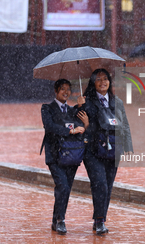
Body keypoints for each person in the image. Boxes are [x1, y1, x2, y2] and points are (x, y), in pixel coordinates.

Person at [77, 69, 133, 235]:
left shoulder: (118, 102)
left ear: (110, 82)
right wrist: (80, 109)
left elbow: (125, 125)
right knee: (100, 183)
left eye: (105, 79)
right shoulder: (86, 102)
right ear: (93, 83)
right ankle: (100, 221)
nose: (103, 82)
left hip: (113, 149)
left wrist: (128, 146)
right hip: (93, 151)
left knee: (107, 186)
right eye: (98, 79)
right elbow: (77, 124)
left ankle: (99, 218)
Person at [41, 79, 88, 235]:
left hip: (71, 155)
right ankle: (61, 220)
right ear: (56, 91)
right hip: (55, 155)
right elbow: (50, 127)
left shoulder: (72, 110)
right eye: (62, 89)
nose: (66, 92)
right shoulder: (47, 108)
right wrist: (70, 131)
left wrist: (82, 109)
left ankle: (56, 219)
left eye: (68, 89)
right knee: (63, 186)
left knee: (64, 189)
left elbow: (81, 127)